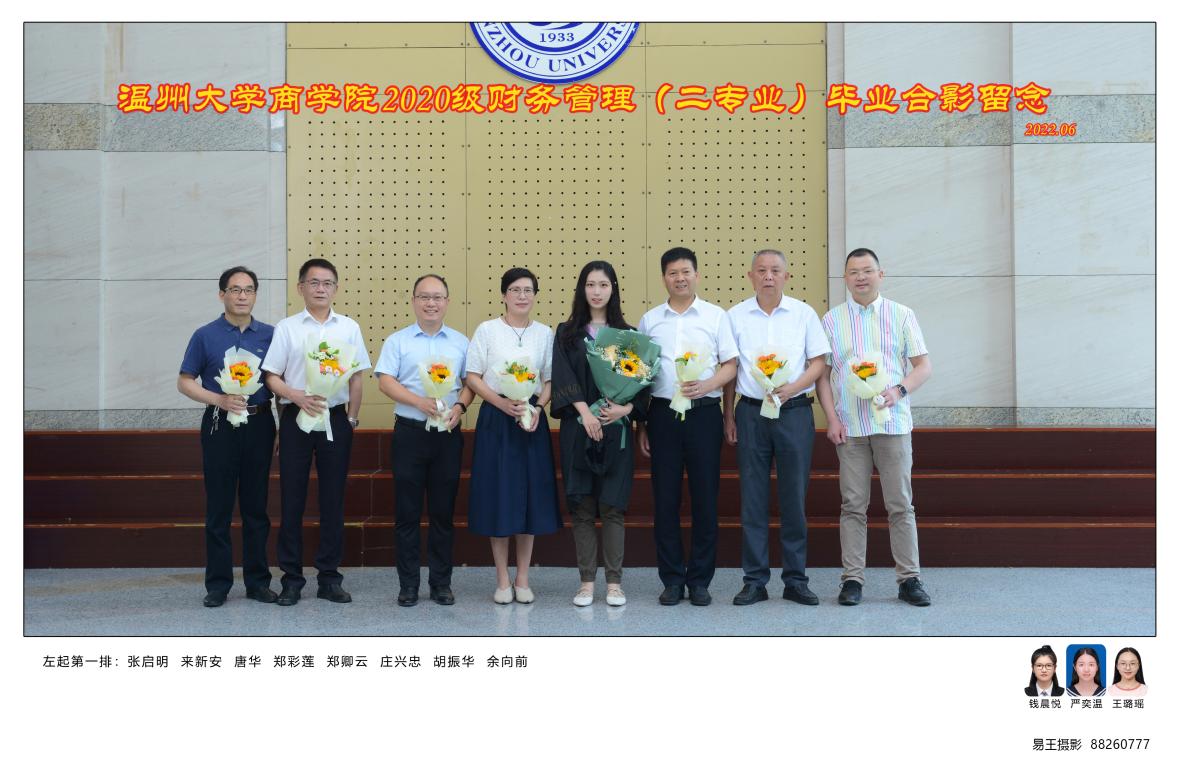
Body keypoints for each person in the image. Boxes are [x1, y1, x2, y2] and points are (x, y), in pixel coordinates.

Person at [816, 247, 933, 607]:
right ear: (845, 278)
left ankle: (909, 579)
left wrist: (899, 391)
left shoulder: (901, 315)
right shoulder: (832, 320)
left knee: (900, 504)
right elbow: (823, 376)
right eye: (853, 272)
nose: (861, 277)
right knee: (853, 505)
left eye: (867, 270)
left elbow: (923, 366)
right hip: (850, 427)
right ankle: (852, 580)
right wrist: (832, 418)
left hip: (892, 424)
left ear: (881, 275)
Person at [723, 249, 830, 607]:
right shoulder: (735, 316)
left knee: (793, 498)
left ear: (786, 276)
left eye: (775, 270)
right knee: (752, 498)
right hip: (751, 414)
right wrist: (728, 416)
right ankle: (754, 580)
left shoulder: (803, 314)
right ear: (750, 276)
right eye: (761, 270)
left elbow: (818, 363)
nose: (768, 276)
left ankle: (796, 580)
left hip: (793, 412)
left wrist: (793, 387)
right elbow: (730, 370)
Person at [262, 258, 371, 606]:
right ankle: (291, 579)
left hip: (335, 419)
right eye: (314, 282)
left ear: (336, 288)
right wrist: (295, 396)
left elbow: (356, 378)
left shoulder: (348, 327)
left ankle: (329, 578)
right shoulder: (288, 328)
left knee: (332, 500)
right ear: (301, 288)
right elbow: (271, 376)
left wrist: (351, 420)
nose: (320, 289)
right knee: (291, 499)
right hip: (296, 417)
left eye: (327, 283)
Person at [637, 247, 738, 606]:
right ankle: (671, 579)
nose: (679, 278)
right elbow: (641, 375)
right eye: (672, 273)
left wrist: (707, 386)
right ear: (664, 278)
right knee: (665, 499)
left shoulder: (715, 316)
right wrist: (642, 424)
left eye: (685, 272)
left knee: (705, 498)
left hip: (703, 414)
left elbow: (730, 365)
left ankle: (699, 580)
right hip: (662, 415)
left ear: (696, 275)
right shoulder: (650, 320)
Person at [550, 261, 649, 607]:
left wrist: (625, 409)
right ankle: (586, 583)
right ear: (582, 289)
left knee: (612, 507)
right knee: (581, 507)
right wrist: (584, 413)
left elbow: (641, 386)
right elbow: (562, 377)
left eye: (603, 285)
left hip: (615, 430)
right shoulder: (566, 333)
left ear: (613, 289)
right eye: (590, 284)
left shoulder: (627, 335)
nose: (596, 291)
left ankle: (615, 583)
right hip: (578, 429)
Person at [178, 266, 277, 608]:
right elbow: (185, 381)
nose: (242, 296)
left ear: (255, 295)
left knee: (256, 507)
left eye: (248, 290)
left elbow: (280, 380)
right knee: (219, 507)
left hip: (260, 424)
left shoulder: (270, 335)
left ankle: (257, 582)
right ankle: (218, 584)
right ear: (222, 294)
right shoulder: (205, 335)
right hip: (219, 423)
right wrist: (218, 399)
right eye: (235, 289)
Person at [375, 274, 473, 607]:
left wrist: (460, 406)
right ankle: (408, 585)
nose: (431, 303)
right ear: (414, 301)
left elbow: (470, 382)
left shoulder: (460, 342)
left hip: (447, 435)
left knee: (443, 513)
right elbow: (385, 381)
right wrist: (418, 402)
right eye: (424, 297)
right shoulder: (398, 341)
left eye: (437, 297)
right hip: (410, 433)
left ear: (447, 301)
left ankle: (441, 583)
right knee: (407, 512)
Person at [465, 267, 562, 604]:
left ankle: (522, 577)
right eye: (515, 290)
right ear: (504, 295)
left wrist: (538, 407)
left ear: (535, 295)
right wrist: (501, 403)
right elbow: (473, 376)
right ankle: (502, 579)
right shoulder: (487, 330)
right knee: (499, 496)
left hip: (531, 418)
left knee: (528, 497)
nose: (522, 296)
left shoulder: (545, 333)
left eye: (528, 290)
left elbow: (550, 379)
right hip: (497, 417)